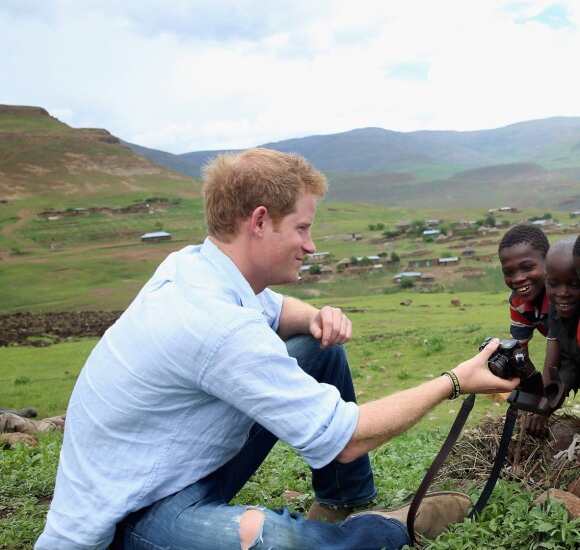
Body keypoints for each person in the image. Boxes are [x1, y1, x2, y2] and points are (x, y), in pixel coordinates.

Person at [36, 148, 518, 550]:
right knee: (272, 539)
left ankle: (343, 500)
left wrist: (313, 318)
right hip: (130, 513)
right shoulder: (216, 325)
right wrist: (454, 381)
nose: (310, 246)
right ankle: (389, 527)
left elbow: (278, 307)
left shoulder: (195, 266)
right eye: (302, 228)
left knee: (317, 344)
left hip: (176, 465)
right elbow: (346, 439)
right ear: (260, 221)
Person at [528, 237, 580, 436]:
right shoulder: (555, 310)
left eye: (575, 284)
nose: (563, 293)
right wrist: (544, 401)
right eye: (554, 284)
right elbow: (571, 363)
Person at [498, 224, 551, 364]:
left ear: (549, 261)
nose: (518, 279)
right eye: (509, 273)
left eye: (527, 267)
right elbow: (518, 350)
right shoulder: (517, 301)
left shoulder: (565, 296)